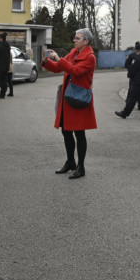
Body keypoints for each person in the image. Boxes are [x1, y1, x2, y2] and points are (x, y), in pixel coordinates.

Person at [42, 29, 97, 179]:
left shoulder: (90, 57)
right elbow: (58, 68)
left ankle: (81, 167)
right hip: (68, 98)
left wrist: (60, 60)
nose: (74, 40)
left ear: (86, 41)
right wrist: (47, 61)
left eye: (77, 38)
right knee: (66, 131)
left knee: (79, 133)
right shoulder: (73, 52)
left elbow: (76, 71)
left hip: (78, 98)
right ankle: (71, 162)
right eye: (74, 37)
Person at [115, 41, 140, 120]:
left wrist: (130, 69)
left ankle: (124, 113)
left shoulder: (138, 60)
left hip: (137, 83)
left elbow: (132, 70)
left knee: (132, 98)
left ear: (136, 50)